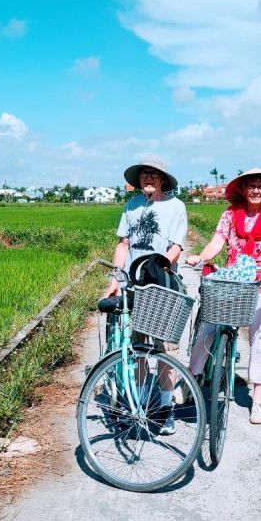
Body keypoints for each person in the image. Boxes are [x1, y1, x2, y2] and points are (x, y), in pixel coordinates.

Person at [186, 168, 261, 424]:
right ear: (243, 190)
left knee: (260, 339)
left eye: (260, 186)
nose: (255, 190)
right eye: (251, 186)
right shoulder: (230, 214)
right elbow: (217, 242)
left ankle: (258, 399)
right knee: (208, 329)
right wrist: (201, 256)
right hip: (233, 283)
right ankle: (192, 379)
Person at [102, 156, 188, 433]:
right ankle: (139, 407)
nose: (148, 179)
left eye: (154, 174)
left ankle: (165, 409)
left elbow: (176, 248)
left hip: (161, 285)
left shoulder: (176, 207)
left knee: (164, 349)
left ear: (163, 179)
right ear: (138, 181)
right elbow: (123, 244)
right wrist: (117, 277)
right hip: (133, 287)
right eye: (144, 175)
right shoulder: (131, 206)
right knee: (136, 348)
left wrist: (157, 267)